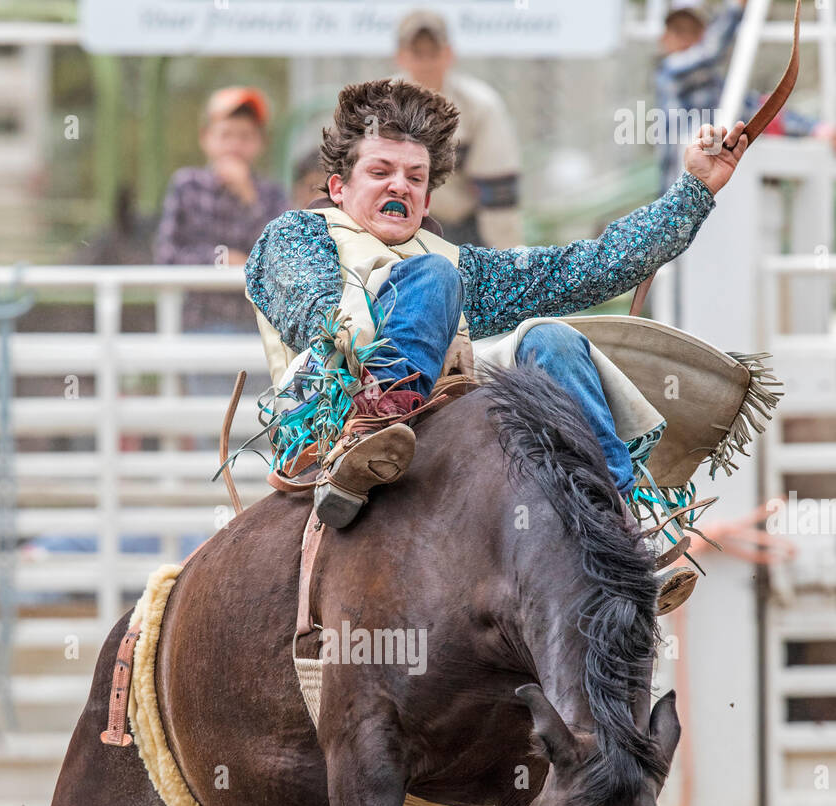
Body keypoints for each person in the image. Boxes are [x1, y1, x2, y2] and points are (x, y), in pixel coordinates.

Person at [245, 79, 747, 611]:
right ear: (339, 187)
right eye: (380, 172)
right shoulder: (299, 234)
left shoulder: (457, 263)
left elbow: (587, 267)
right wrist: (399, 312)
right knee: (433, 277)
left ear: (428, 197)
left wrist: (694, 189)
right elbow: (313, 312)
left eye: (415, 178)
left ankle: (617, 524)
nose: (401, 186)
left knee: (551, 339)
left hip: (439, 407)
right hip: (332, 409)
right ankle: (368, 434)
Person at [153, 86, 288, 401]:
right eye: (226, 134)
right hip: (202, 324)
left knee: (256, 424)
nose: (235, 145)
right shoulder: (186, 186)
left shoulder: (271, 195)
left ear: (260, 143)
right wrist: (222, 258)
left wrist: (248, 197)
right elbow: (166, 254)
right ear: (206, 138)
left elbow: (284, 255)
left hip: (261, 328)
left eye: (245, 136)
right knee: (211, 425)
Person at [657, 3, 836, 194]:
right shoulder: (673, 72)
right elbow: (711, 51)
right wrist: (736, 7)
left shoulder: (705, 85)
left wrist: (815, 129)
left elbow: (755, 109)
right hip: (681, 190)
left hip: (686, 192)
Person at [393, 8, 521, 248]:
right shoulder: (380, 104)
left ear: (449, 54)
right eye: (417, 52)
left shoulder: (480, 106)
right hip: (392, 224)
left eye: (433, 52)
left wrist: (507, 259)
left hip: (461, 228)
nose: (426, 61)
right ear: (401, 56)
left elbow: (498, 191)